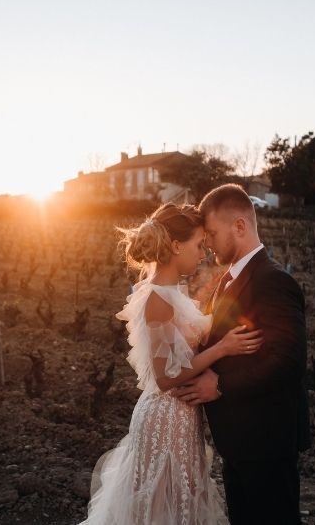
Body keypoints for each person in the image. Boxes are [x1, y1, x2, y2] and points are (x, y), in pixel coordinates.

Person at [80, 202, 264, 525]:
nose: (203, 253)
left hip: (180, 418)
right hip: (164, 418)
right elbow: (167, 376)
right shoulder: (158, 301)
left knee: (179, 508)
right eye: (197, 245)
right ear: (176, 246)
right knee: (162, 512)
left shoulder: (171, 294)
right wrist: (222, 348)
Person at [172, 184, 311, 524]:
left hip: (266, 440)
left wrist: (220, 386)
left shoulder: (272, 281)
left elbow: (288, 361)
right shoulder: (228, 280)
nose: (207, 245)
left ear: (239, 226)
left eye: (212, 234)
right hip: (239, 441)